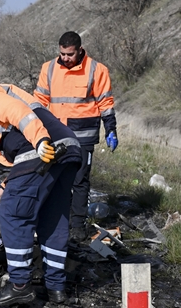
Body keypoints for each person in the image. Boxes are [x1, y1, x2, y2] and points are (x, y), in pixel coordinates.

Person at [0, 76, 82, 306]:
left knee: (13, 212)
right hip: (68, 148)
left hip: (43, 149)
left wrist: (40, 141)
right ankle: (56, 287)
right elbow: (23, 168)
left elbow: (17, 112)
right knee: (52, 218)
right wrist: (0, 192)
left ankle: (20, 286)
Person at [34, 31, 118, 242]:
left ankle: (78, 225)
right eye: (62, 53)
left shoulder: (97, 70)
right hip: (56, 135)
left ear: (80, 50)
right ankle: (55, 220)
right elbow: (39, 101)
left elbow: (105, 103)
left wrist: (111, 129)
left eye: (69, 54)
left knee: (80, 181)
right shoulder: (49, 68)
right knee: (54, 179)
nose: (65, 58)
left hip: (84, 136)